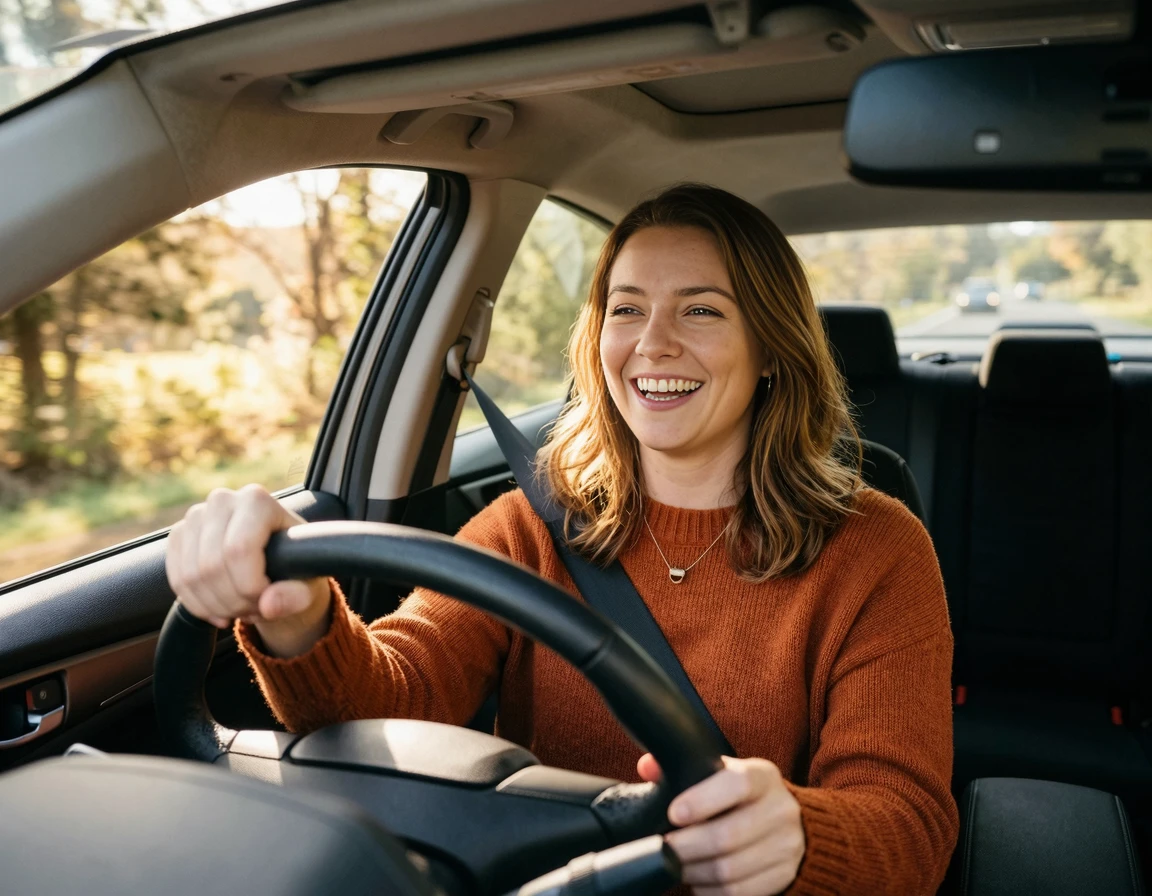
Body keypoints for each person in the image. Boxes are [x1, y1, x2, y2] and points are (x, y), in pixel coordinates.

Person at [166, 183, 958, 895]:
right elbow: (389, 704)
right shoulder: (529, 526)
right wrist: (299, 614)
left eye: (702, 310)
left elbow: (908, 829)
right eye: (627, 308)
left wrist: (799, 839)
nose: (653, 342)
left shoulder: (878, 551)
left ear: (772, 349)